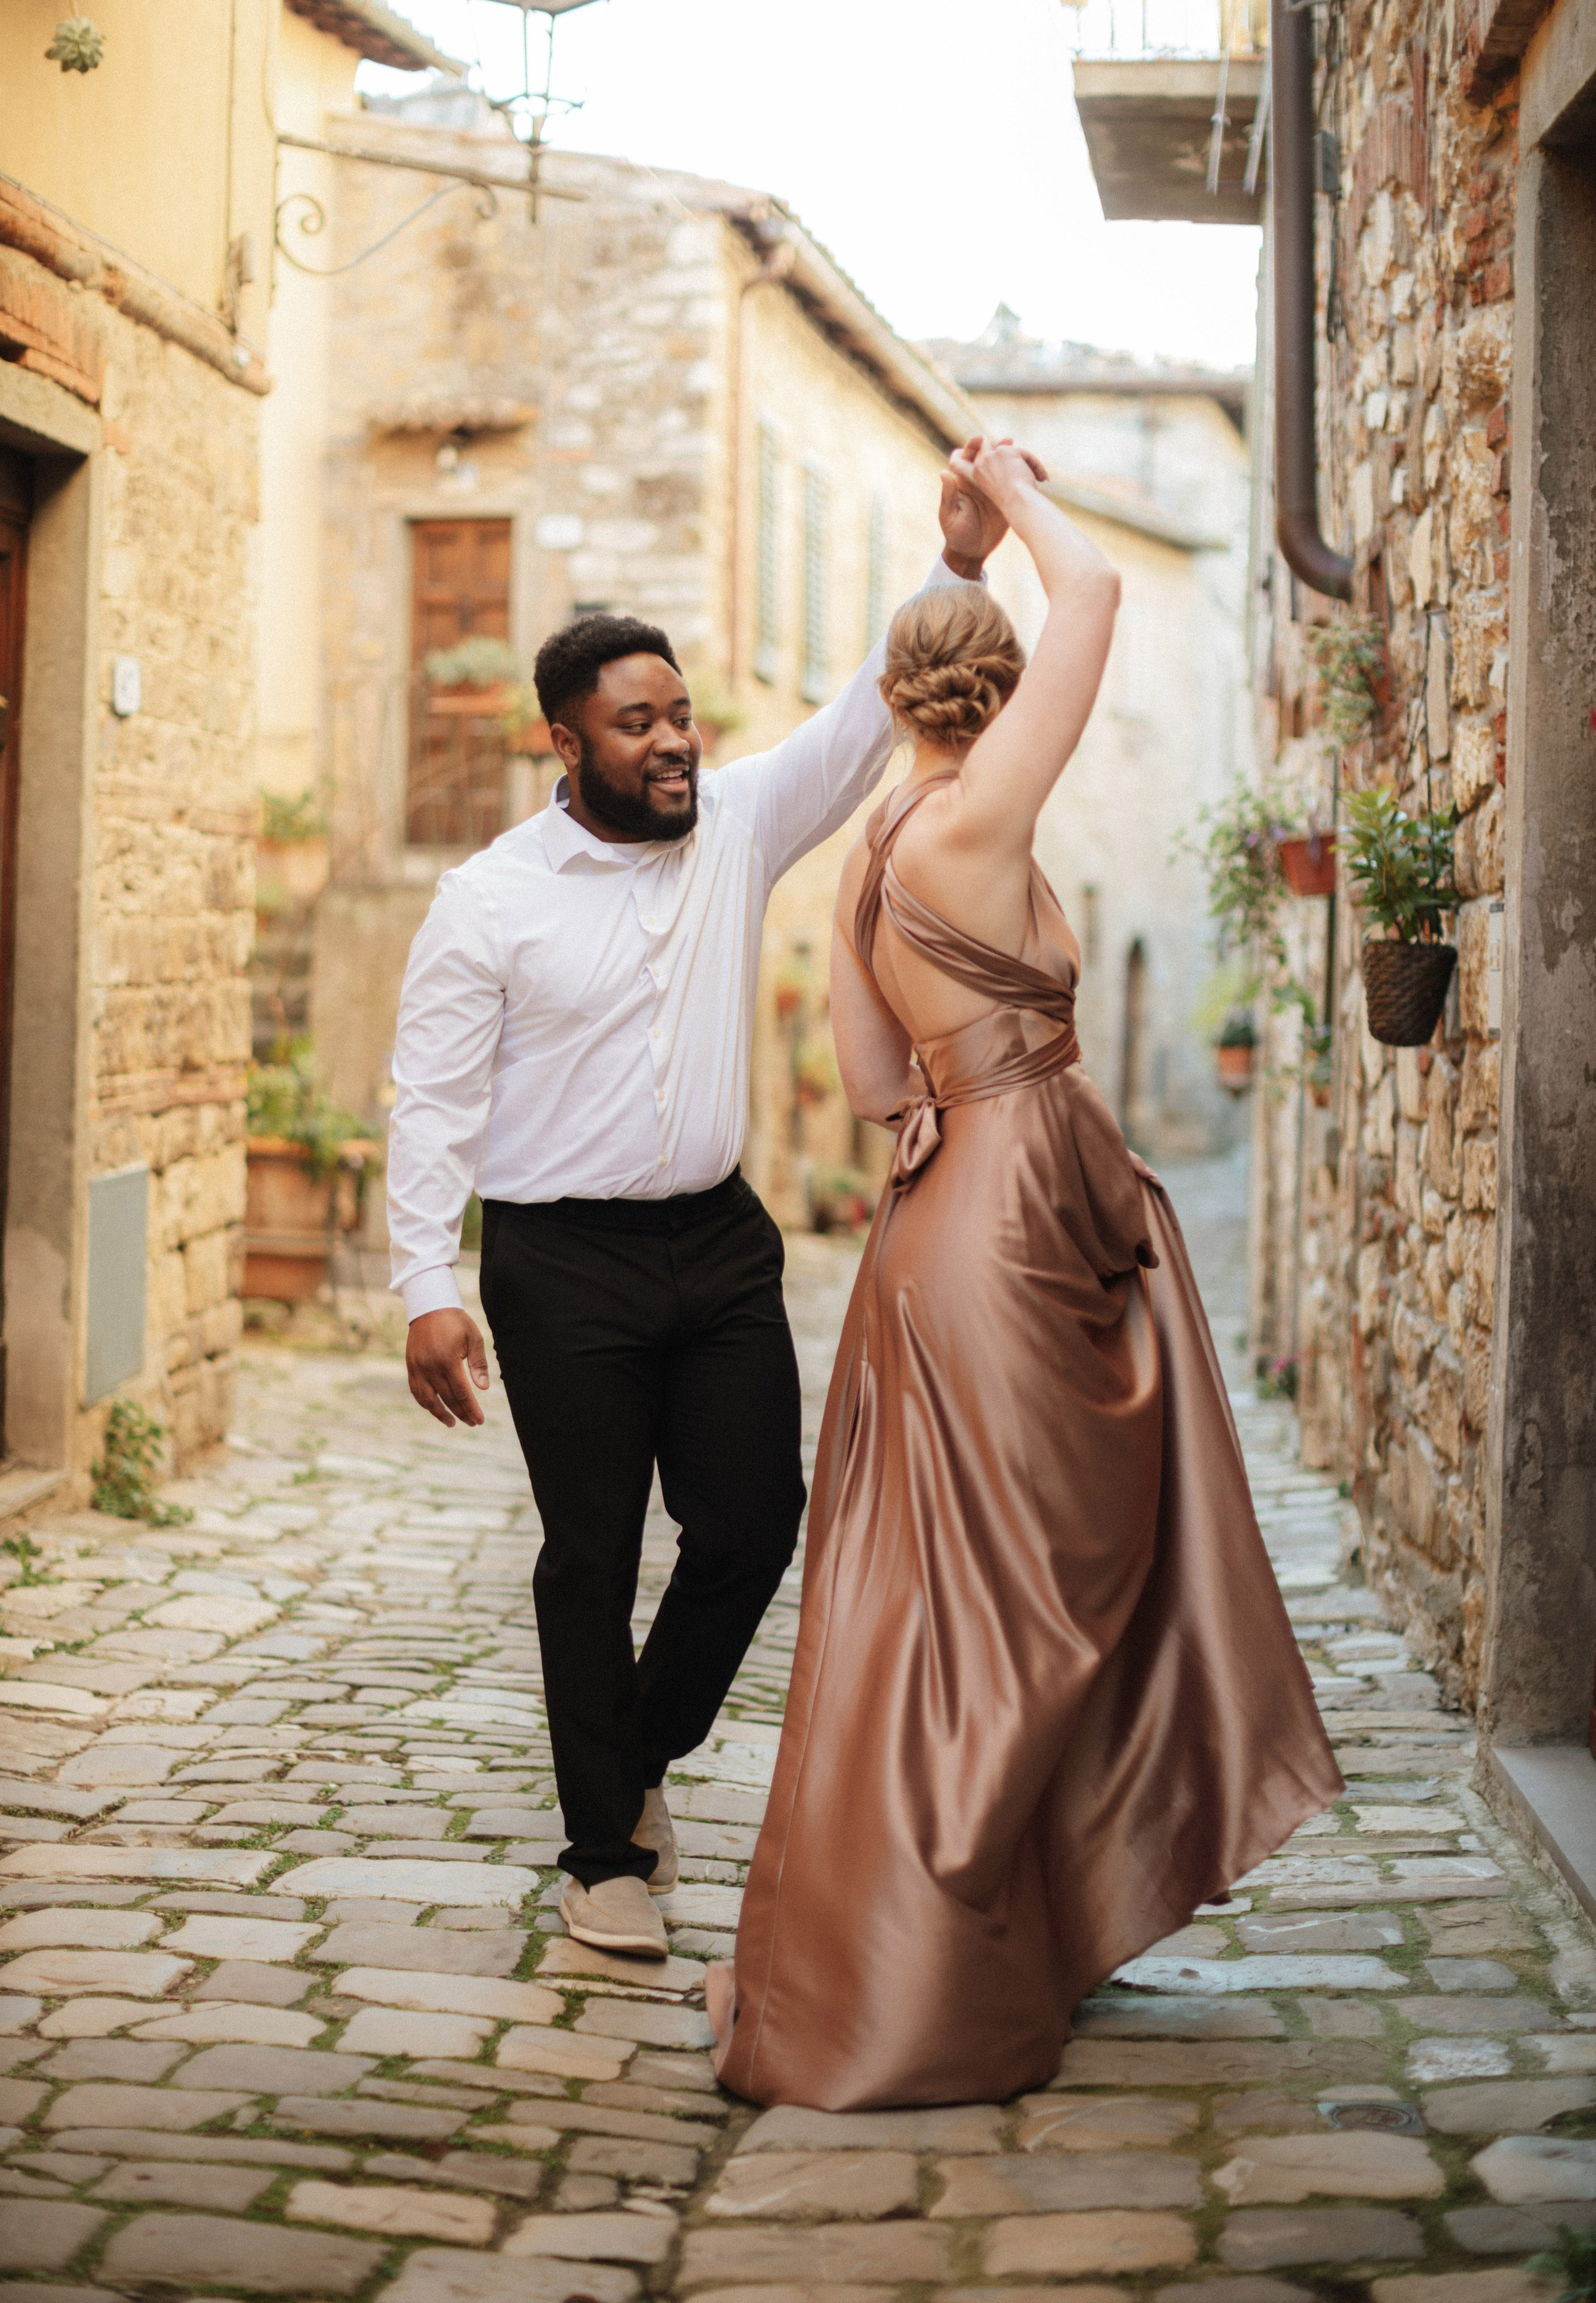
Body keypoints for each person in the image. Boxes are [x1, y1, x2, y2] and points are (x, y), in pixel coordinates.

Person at [708, 437, 1341, 2108]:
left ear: (899, 697)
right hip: (1015, 1216)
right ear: (998, 702)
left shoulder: (868, 862)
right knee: (1045, 1589)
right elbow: (1104, 588)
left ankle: (957, 1930)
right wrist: (1010, 493)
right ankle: (948, 1945)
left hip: (932, 1229)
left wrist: (958, 550)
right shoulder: (986, 819)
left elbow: (869, 1084)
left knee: (942, 1591)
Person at [385, 467, 1027, 1963]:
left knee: (750, 1525)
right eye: (637, 724)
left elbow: (866, 714)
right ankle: (600, 1854)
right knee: (591, 1555)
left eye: (679, 715)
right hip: (560, 1262)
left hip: (719, 1244)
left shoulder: (735, 822)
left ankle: (634, 1750)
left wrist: (956, 564)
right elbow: (431, 1103)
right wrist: (427, 1284)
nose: (673, 741)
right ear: (565, 743)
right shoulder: (488, 900)